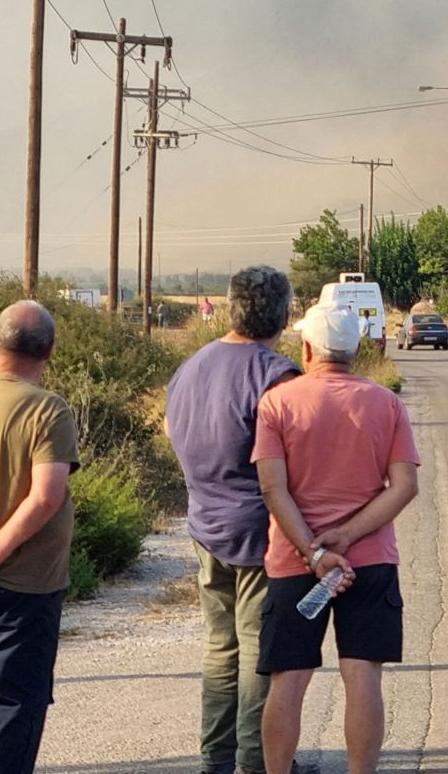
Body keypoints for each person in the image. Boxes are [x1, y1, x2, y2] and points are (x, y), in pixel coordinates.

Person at [252, 302, 420, 774]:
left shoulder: (277, 403)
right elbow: (404, 485)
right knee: (362, 673)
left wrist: (314, 549)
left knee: (289, 678)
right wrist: (345, 535)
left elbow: (271, 487)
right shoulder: (386, 403)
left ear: (306, 347)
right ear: (357, 347)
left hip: (295, 561)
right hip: (369, 561)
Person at [165, 267, 299, 774]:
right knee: (259, 655)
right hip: (261, 533)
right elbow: (294, 461)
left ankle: (215, 760)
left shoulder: (190, 366)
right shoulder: (275, 373)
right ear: (283, 313)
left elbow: (170, 427)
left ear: (229, 307)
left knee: (220, 649)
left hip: (205, 526)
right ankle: (256, 761)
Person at [0, 300, 80, 774]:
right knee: (14, 705)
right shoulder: (49, 411)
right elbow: (46, 495)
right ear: (49, 350)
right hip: (24, 583)